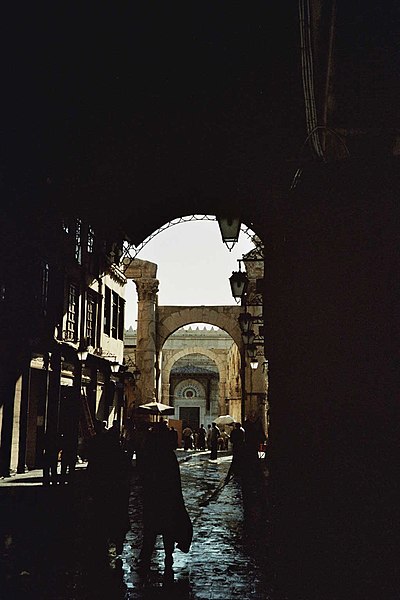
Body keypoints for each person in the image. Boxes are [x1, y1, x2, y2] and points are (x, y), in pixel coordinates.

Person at [136, 421, 193, 577]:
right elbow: (175, 481)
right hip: (168, 498)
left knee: (151, 528)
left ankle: (146, 558)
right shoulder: (168, 455)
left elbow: (144, 475)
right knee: (167, 528)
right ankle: (168, 556)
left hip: (153, 498)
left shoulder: (150, 453)